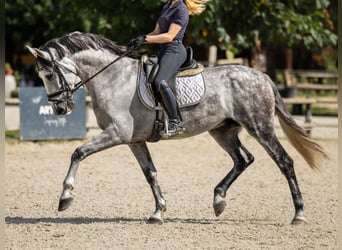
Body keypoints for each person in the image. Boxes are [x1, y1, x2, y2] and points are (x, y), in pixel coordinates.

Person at [128, 0, 208, 136]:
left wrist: (146, 39)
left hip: (175, 51)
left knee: (160, 81)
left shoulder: (181, 10)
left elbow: (169, 36)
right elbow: (156, 32)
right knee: (148, 78)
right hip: (164, 51)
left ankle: (175, 122)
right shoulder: (167, 7)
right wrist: (140, 39)